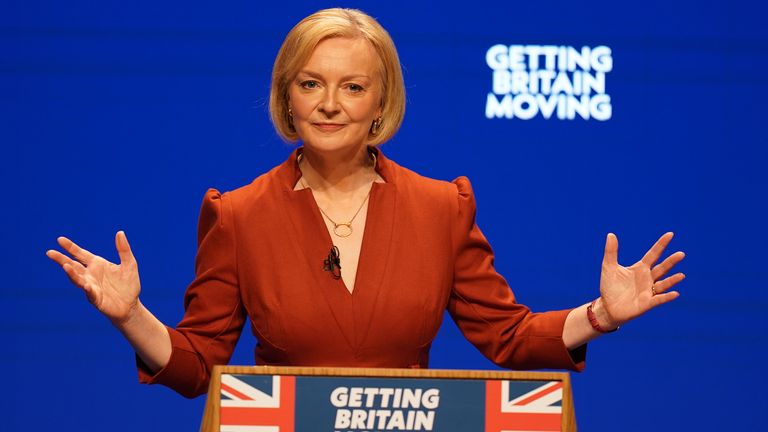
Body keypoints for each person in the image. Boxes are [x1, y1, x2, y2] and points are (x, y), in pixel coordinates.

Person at [46, 8, 685, 399]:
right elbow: (196, 368)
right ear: (286, 97)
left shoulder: (441, 208)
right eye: (310, 85)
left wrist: (602, 313)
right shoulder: (238, 215)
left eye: (352, 87)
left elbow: (509, 337)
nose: (330, 104)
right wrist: (130, 316)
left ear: (381, 102)